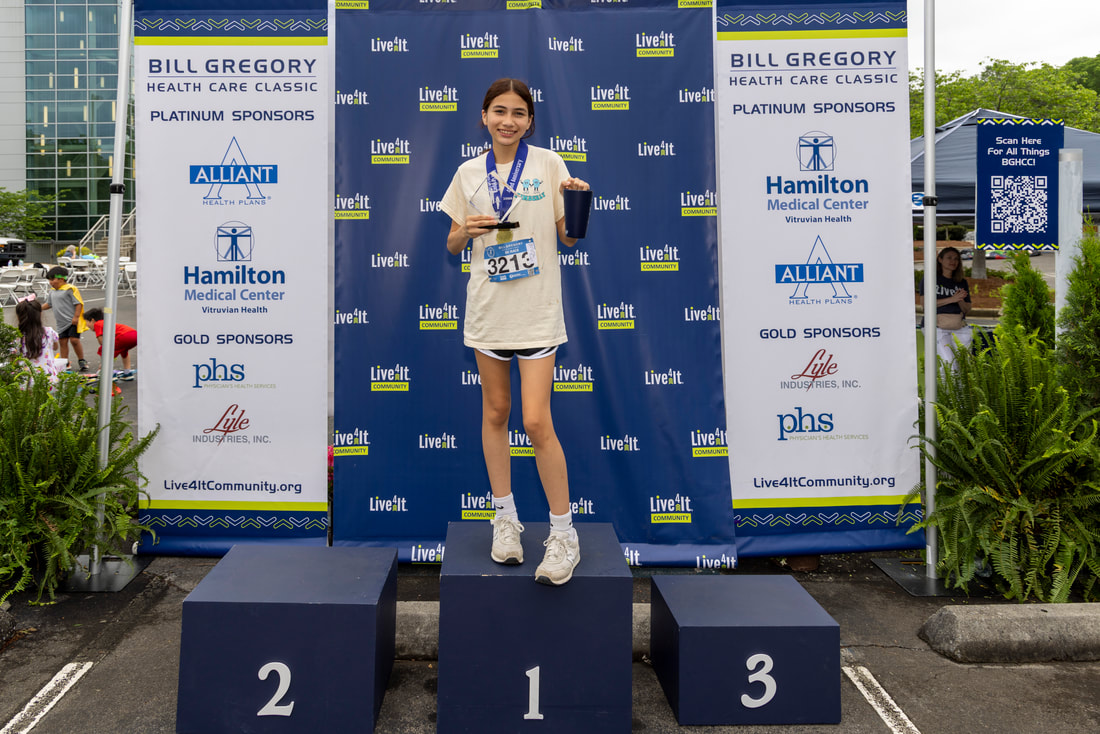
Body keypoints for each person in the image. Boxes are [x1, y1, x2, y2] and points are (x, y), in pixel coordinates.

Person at [441, 77, 590, 586]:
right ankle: (504, 519)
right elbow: (452, 243)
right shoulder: (468, 172)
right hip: (488, 312)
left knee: (536, 420)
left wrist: (579, 202)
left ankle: (564, 534)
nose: (508, 120)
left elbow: (569, 238)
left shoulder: (549, 164)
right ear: (484, 116)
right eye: (500, 111)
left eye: (519, 113)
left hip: (537, 311)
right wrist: (466, 231)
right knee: (495, 412)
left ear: (530, 121)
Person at [918, 246, 972, 367]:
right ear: (940, 259)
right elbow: (925, 304)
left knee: (964, 365)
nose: (953, 261)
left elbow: (967, 309)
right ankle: (946, 381)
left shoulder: (961, 282)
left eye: (956, 259)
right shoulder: (930, 279)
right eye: (949, 258)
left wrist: (960, 300)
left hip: (958, 326)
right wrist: (952, 299)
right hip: (936, 327)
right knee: (949, 363)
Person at [40, 265, 89, 372]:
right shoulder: (52, 291)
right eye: (49, 280)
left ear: (61, 279)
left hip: (72, 321)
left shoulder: (70, 289)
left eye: (52, 280)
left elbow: (78, 303)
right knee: (62, 341)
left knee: (74, 340)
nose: (50, 282)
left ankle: (81, 360)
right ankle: (64, 362)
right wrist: (38, 308)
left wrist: (76, 317)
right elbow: (49, 304)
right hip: (61, 322)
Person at [13, 294, 64, 386]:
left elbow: (13, 360)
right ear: (40, 314)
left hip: (25, 382)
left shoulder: (15, 337)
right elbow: (55, 347)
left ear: (18, 316)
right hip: (49, 380)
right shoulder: (48, 332)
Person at [82, 307, 137, 380]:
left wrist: (101, 366)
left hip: (125, 336)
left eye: (86, 322)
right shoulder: (106, 322)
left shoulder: (97, 324)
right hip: (134, 335)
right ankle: (127, 373)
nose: (86, 325)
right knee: (123, 351)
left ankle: (108, 373)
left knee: (103, 349)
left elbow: (102, 342)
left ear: (92, 320)